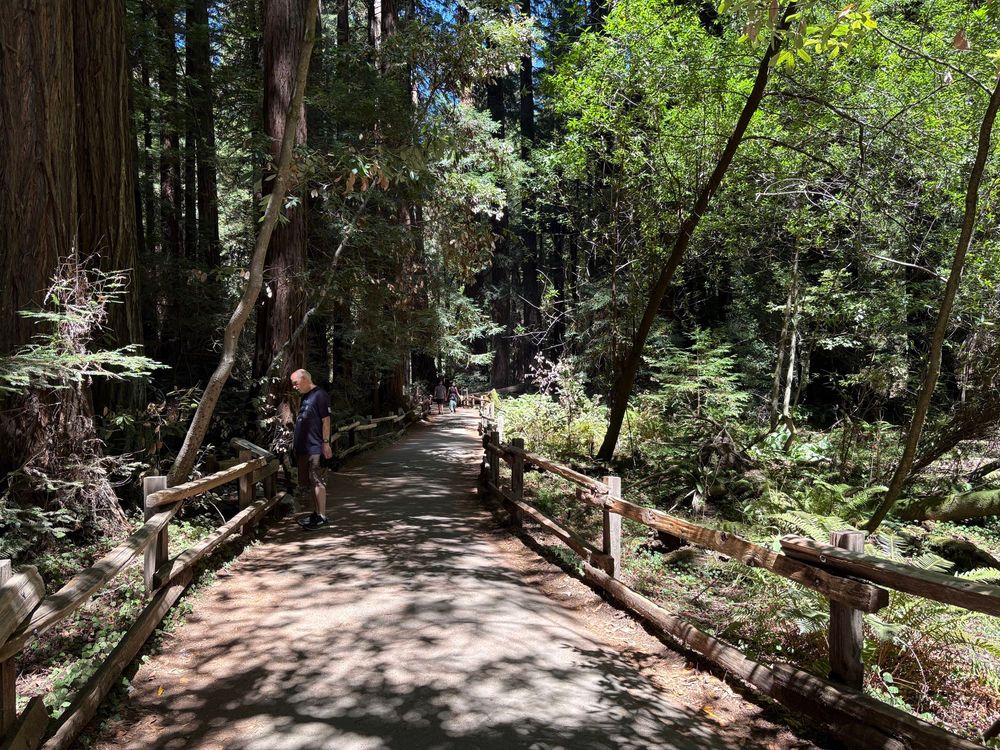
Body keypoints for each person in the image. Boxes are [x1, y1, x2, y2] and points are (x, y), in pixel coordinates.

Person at [290, 368, 332, 530]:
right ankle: (315, 513)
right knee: (310, 482)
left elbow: (326, 421)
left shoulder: (319, 395)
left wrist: (326, 443)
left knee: (317, 481)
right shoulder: (306, 397)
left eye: (296, 383)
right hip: (304, 448)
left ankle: (322, 516)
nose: (294, 386)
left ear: (305, 379)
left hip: (315, 447)